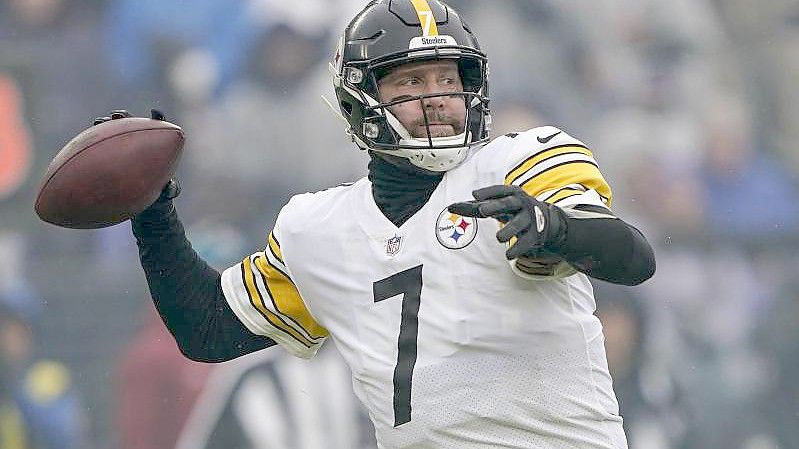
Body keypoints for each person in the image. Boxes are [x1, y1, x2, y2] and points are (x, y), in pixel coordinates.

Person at [96, 1, 655, 447]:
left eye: (445, 79)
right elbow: (208, 328)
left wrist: (558, 228)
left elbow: (633, 257)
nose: (435, 99)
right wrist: (153, 214)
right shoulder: (317, 228)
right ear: (360, 101)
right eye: (410, 85)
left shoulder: (521, 162)